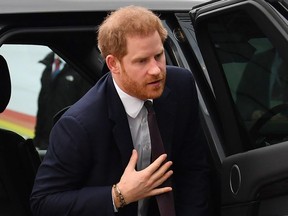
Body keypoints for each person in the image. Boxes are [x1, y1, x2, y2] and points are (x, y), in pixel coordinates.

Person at [31, 6, 210, 216]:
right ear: (113, 64)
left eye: (159, 55)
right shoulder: (80, 124)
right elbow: (43, 203)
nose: (156, 70)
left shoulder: (180, 85)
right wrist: (119, 195)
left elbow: (193, 169)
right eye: (142, 61)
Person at [33, 52, 92, 150]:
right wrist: (37, 139)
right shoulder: (48, 67)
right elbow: (41, 106)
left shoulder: (81, 70)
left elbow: (86, 111)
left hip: (66, 144)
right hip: (43, 141)